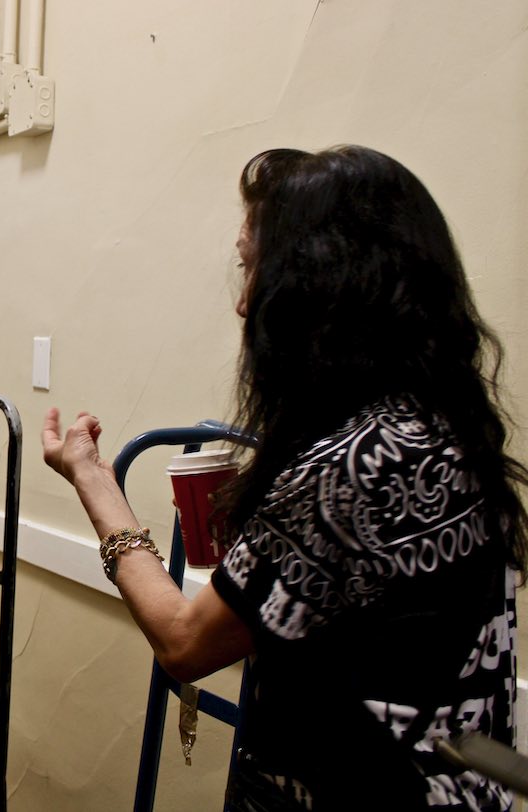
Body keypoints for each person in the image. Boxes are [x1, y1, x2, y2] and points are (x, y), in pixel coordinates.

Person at [42, 145, 523, 811]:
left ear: (321, 282)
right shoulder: (453, 432)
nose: (245, 303)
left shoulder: (343, 468)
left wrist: (94, 481)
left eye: (253, 267)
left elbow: (185, 643)